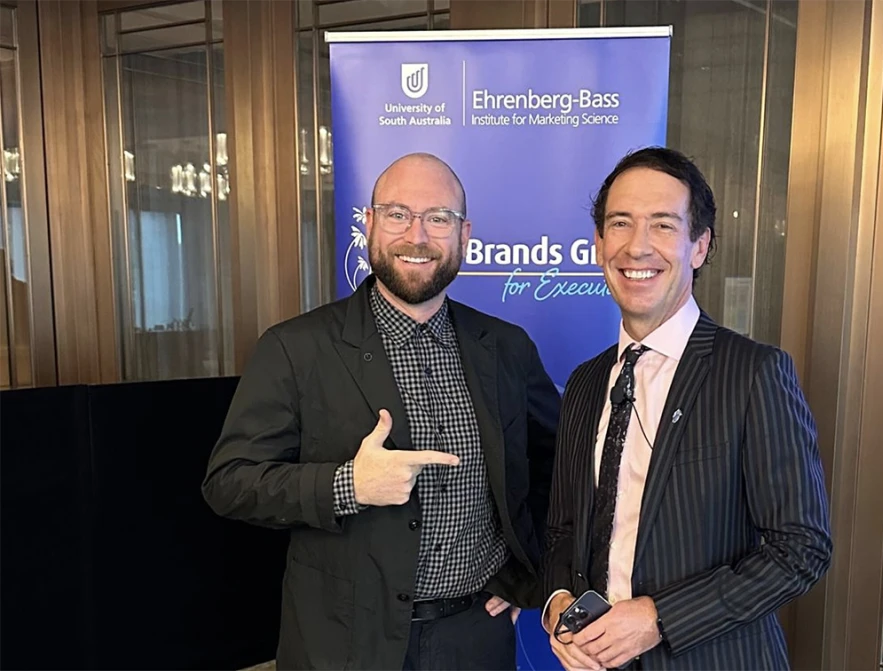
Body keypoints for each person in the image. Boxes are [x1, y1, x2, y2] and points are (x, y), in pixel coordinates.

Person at [202, 152, 560, 670]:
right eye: (397, 214)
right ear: (369, 223)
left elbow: (557, 468)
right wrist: (347, 485)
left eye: (439, 218)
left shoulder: (507, 348)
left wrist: (530, 573)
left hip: (474, 638)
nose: (417, 235)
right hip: (344, 644)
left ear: (464, 235)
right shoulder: (295, 348)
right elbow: (229, 482)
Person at [541, 147, 832, 670]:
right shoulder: (586, 382)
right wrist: (558, 603)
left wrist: (661, 618)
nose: (637, 246)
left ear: (700, 246)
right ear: (599, 244)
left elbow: (801, 548)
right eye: (621, 223)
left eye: (663, 225)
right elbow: (563, 529)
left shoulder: (753, 373)